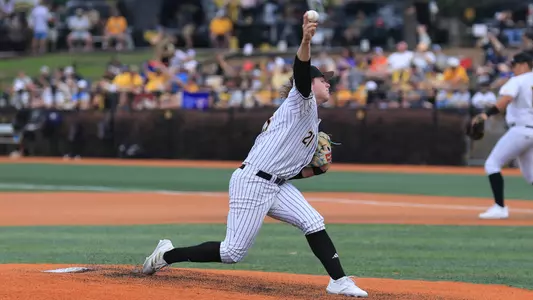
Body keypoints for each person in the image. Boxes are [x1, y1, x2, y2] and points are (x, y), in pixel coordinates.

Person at [141, 12, 368, 298]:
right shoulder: (300, 102)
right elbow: (300, 68)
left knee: (313, 222)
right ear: (310, 84)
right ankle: (167, 255)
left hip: (277, 183)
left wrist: (313, 170)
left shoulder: (308, 119)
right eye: (324, 80)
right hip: (253, 182)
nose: (329, 84)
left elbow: (293, 170)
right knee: (233, 252)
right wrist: (306, 39)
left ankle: (339, 280)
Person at [475, 52, 533, 219]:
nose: (512, 68)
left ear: (524, 64)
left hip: (520, 130)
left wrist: (485, 115)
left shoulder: (517, 80)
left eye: (514, 65)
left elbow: (505, 100)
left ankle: (499, 207)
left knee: (492, 164)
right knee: (531, 176)